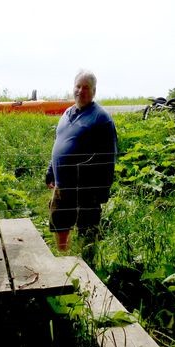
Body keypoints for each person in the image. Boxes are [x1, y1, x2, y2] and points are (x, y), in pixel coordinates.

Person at [45, 70, 117, 252]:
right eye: (78, 86)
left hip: (86, 187)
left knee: (87, 227)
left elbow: (109, 157)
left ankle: (88, 261)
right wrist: (51, 171)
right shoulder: (67, 113)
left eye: (86, 87)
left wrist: (102, 190)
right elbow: (58, 144)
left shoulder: (101, 118)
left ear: (93, 91)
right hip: (62, 184)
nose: (81, 91)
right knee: (59, 221)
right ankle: (64, 255)